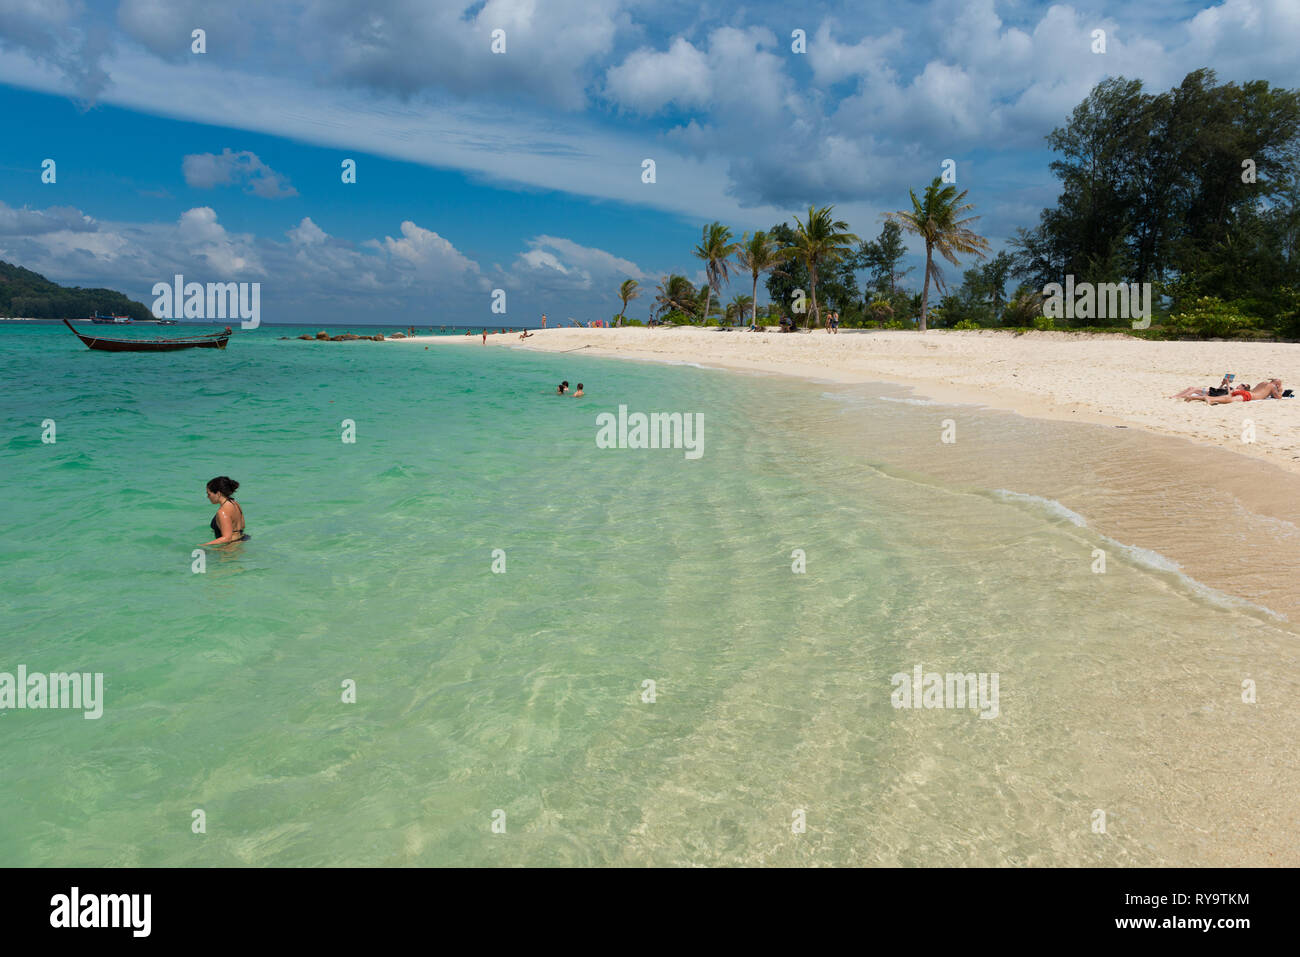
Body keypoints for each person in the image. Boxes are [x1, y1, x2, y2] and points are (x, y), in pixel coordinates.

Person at [201, 476, 249, 545]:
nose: (208, 497)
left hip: (230, 547)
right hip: (242, 539)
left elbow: (227, 538)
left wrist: (204, 545)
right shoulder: (235, 503)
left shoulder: (222, 512)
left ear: (218, 494)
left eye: (209, 494)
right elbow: (242, 525)